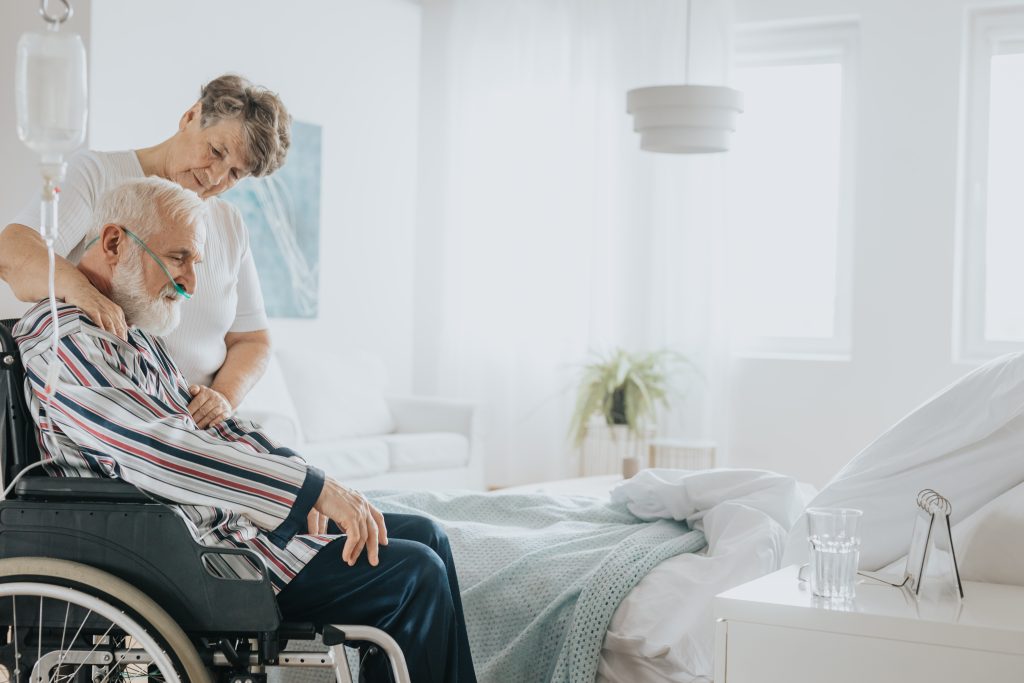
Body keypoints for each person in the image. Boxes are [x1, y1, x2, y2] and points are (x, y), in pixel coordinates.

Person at [13, 178, 477, 683]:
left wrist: (313, 482)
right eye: (179, 257)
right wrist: (309, 492)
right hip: (188, 552)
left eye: (197, 262)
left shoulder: (131, 338)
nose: (191, 283)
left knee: (428, 535)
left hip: (222, 529)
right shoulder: (69, 342)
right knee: (414, 575)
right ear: (113, 242)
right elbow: (164, 452)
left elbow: (216, 429)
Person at [0, 74, 284, 430]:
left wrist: (223, 398)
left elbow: (252, 339)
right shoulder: (98, 175)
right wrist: (83, 293)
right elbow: (11, 250)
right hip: (120, 426)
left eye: (235, 174)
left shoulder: (229, 223)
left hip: (196, 433)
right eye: (215, 152)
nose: (215, 178)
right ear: (191, 116)